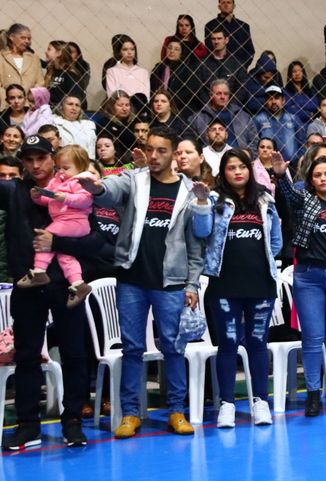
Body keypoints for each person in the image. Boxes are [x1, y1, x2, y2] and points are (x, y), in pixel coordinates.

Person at [76, 127, 204, 438]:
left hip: (171, 283)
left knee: (173, 347)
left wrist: (192, 284)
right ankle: (130, 413)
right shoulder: (135, 180)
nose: (154, 156)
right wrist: (96, 187)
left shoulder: (189, 190)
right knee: (132, 348)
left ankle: (177, 411)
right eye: (150, 149)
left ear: (174, 155)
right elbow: (110, 189)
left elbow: (195, 244)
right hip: (131, 280)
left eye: (161, 150)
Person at [0, 136, 91, 450]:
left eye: (41, 158)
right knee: (27, 355)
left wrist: (58, 243)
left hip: (66, 285)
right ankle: (27, 425)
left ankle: (73, 422)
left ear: (53, 158)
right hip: (28, 284)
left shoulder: (76, 186)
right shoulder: (15, 190)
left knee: (74, 353)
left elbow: (96, 241)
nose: (35, 165)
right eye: (29, 159)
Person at [191, 149, 281, 427]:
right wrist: (202, 203)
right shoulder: (214, 199)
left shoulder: (265, 199)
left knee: (257, 343)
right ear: (224, 172)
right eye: (231, 168)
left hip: (261, 283)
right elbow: (202, 232)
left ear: (249, 170)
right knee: (228, 344)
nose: (238, 172)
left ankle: (261, 402)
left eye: (242, 166)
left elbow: (276, 240)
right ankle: (227, 404)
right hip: (224, 284)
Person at [272, 152, 326, 416]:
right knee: (312, 339)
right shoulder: (305, 200)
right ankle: (312, 395)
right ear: (311, 180)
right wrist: (281, 175)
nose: (322, 179)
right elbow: (289, 197)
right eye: (317, 175)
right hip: (308, 277)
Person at [17, 143, 94, 306]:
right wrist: (37, 197)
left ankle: (39, 272)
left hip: (75, 221)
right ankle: (78, 284)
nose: (61, 171)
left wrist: (65, 198)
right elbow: (49, 200)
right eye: (58, 168)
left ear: (80, 168)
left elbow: (85, 199)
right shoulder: (58, 181)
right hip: (64, 221)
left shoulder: (82, 181)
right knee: (65, 256)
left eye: (66, 168)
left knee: (46, 236)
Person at [189, 79, 255, 149]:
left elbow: (254, 141)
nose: (222, 97)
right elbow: (190, 143)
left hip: (239, 154)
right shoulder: (197, 118)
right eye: (218, 93)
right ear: (211, 95)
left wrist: (247, 153)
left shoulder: (243, 116)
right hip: (209, 155)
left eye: (226, 94)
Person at [149, 40, 205, 118]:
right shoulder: (158, 68)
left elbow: (188, 92)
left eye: (176, 49)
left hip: (181, 111)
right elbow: (152, 89)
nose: (172, 51)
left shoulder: (188, 69)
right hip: (158, 109)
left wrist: (169, 104)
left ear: (181, 53)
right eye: (169, 48)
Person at [204, 0, 254, 69]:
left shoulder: (243, 26)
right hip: (217, 68)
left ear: (234, 6)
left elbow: (249, 51)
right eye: (223, 2)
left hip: (239, 69)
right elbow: (209, 48)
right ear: (219, 6)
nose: (226, 5)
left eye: (229, 2)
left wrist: (242, 67)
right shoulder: (210, 25)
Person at [251, 86, 302, 161]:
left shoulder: (293, 119)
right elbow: (253, 143)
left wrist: (300, 158)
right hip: (267, 164)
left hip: (292, 164)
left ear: (283, 101)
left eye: (277, 98)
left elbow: (302, 141)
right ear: (265, 102)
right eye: (270, 99)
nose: (273, 102)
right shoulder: (258, 119)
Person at [1, 24, 44, 105]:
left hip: (29, 106)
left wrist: (31, 97)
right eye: (23, 38)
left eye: (29, 39)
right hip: (6, 105)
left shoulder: (34, 58)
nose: (27, 41)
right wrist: (8, 99)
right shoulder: (1, 58)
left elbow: (40, 82)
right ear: (12, 37)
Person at [104, 36, 149, 100]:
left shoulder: (143, 72)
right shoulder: (112, 71)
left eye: (132, 49)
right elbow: (112, 96)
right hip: (120, 105)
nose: (129, 52)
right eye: (125, 49)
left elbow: (146, 96)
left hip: (139, 105)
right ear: (119, 52)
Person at [43, 40, 86, 106]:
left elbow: (75, 98)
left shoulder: (71, 74)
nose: (46, 52)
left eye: (49, 49)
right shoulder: (51, 72)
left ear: (59, 53)